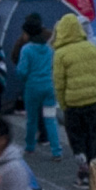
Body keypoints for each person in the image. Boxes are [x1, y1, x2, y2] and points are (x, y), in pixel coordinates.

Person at [51, 14, 96, 184]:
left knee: (76, 137)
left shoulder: (60, 54)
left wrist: (63, 103)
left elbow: (59, 83)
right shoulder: (91, 48)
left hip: (73, 103)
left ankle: (83, 170)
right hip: (92, 101)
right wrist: (95, 94)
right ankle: (95, 166)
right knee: (92, 134)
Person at [15, 15, 63, 160]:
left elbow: (22, 71)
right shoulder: (49, 49)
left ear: (28, 33)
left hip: (32, 88)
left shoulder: (27, 50)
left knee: (32, 119)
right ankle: (56, 150)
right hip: (49, 87)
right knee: (50, 118)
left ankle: (30, 147)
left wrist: (23, 78)